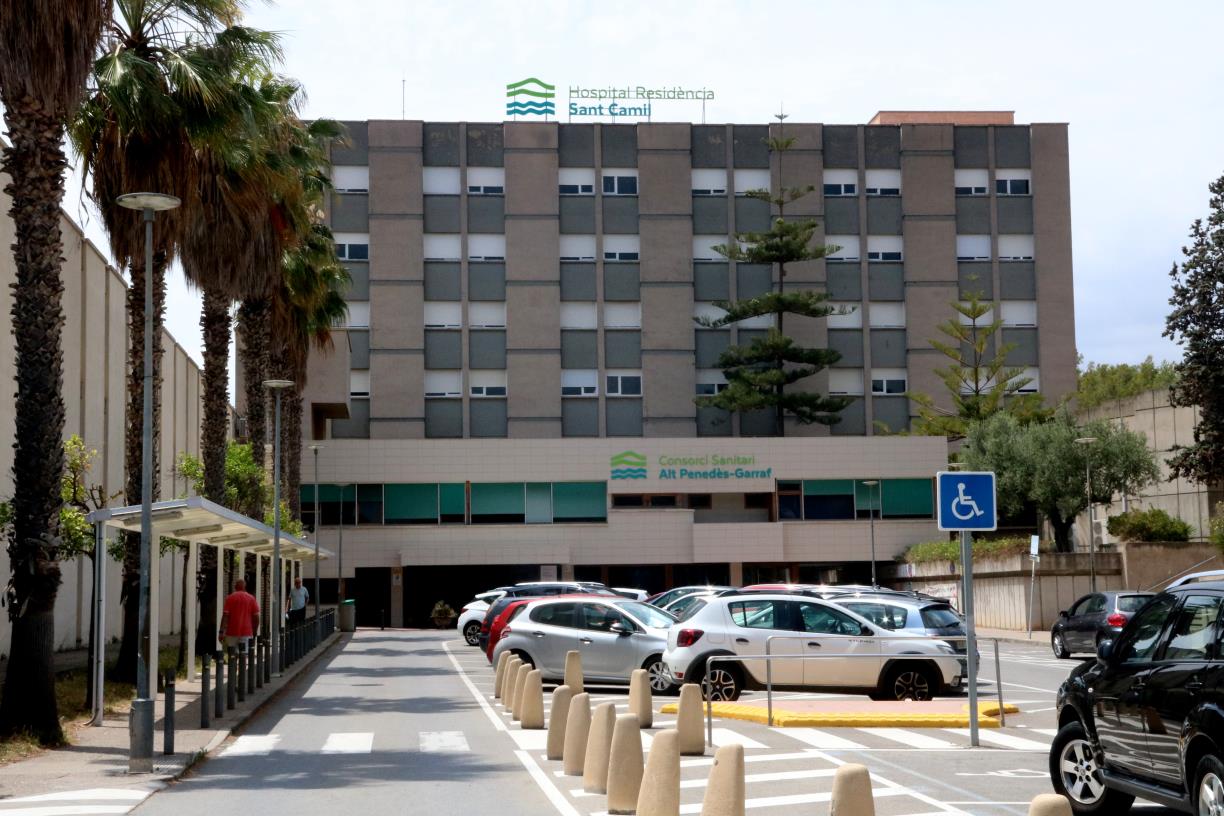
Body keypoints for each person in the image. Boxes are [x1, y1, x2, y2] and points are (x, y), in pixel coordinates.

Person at [219, 579, 260, 655]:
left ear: (235, 587)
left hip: (231, 632)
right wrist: (254, 631)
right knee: (244, 655)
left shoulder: (230, 598)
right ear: (245, 587)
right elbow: (256, 617)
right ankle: (242, 666)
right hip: (247, 632)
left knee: (232, 655)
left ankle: (234, 666)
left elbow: (225, 616)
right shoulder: (251, 598)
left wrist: (221, 632)